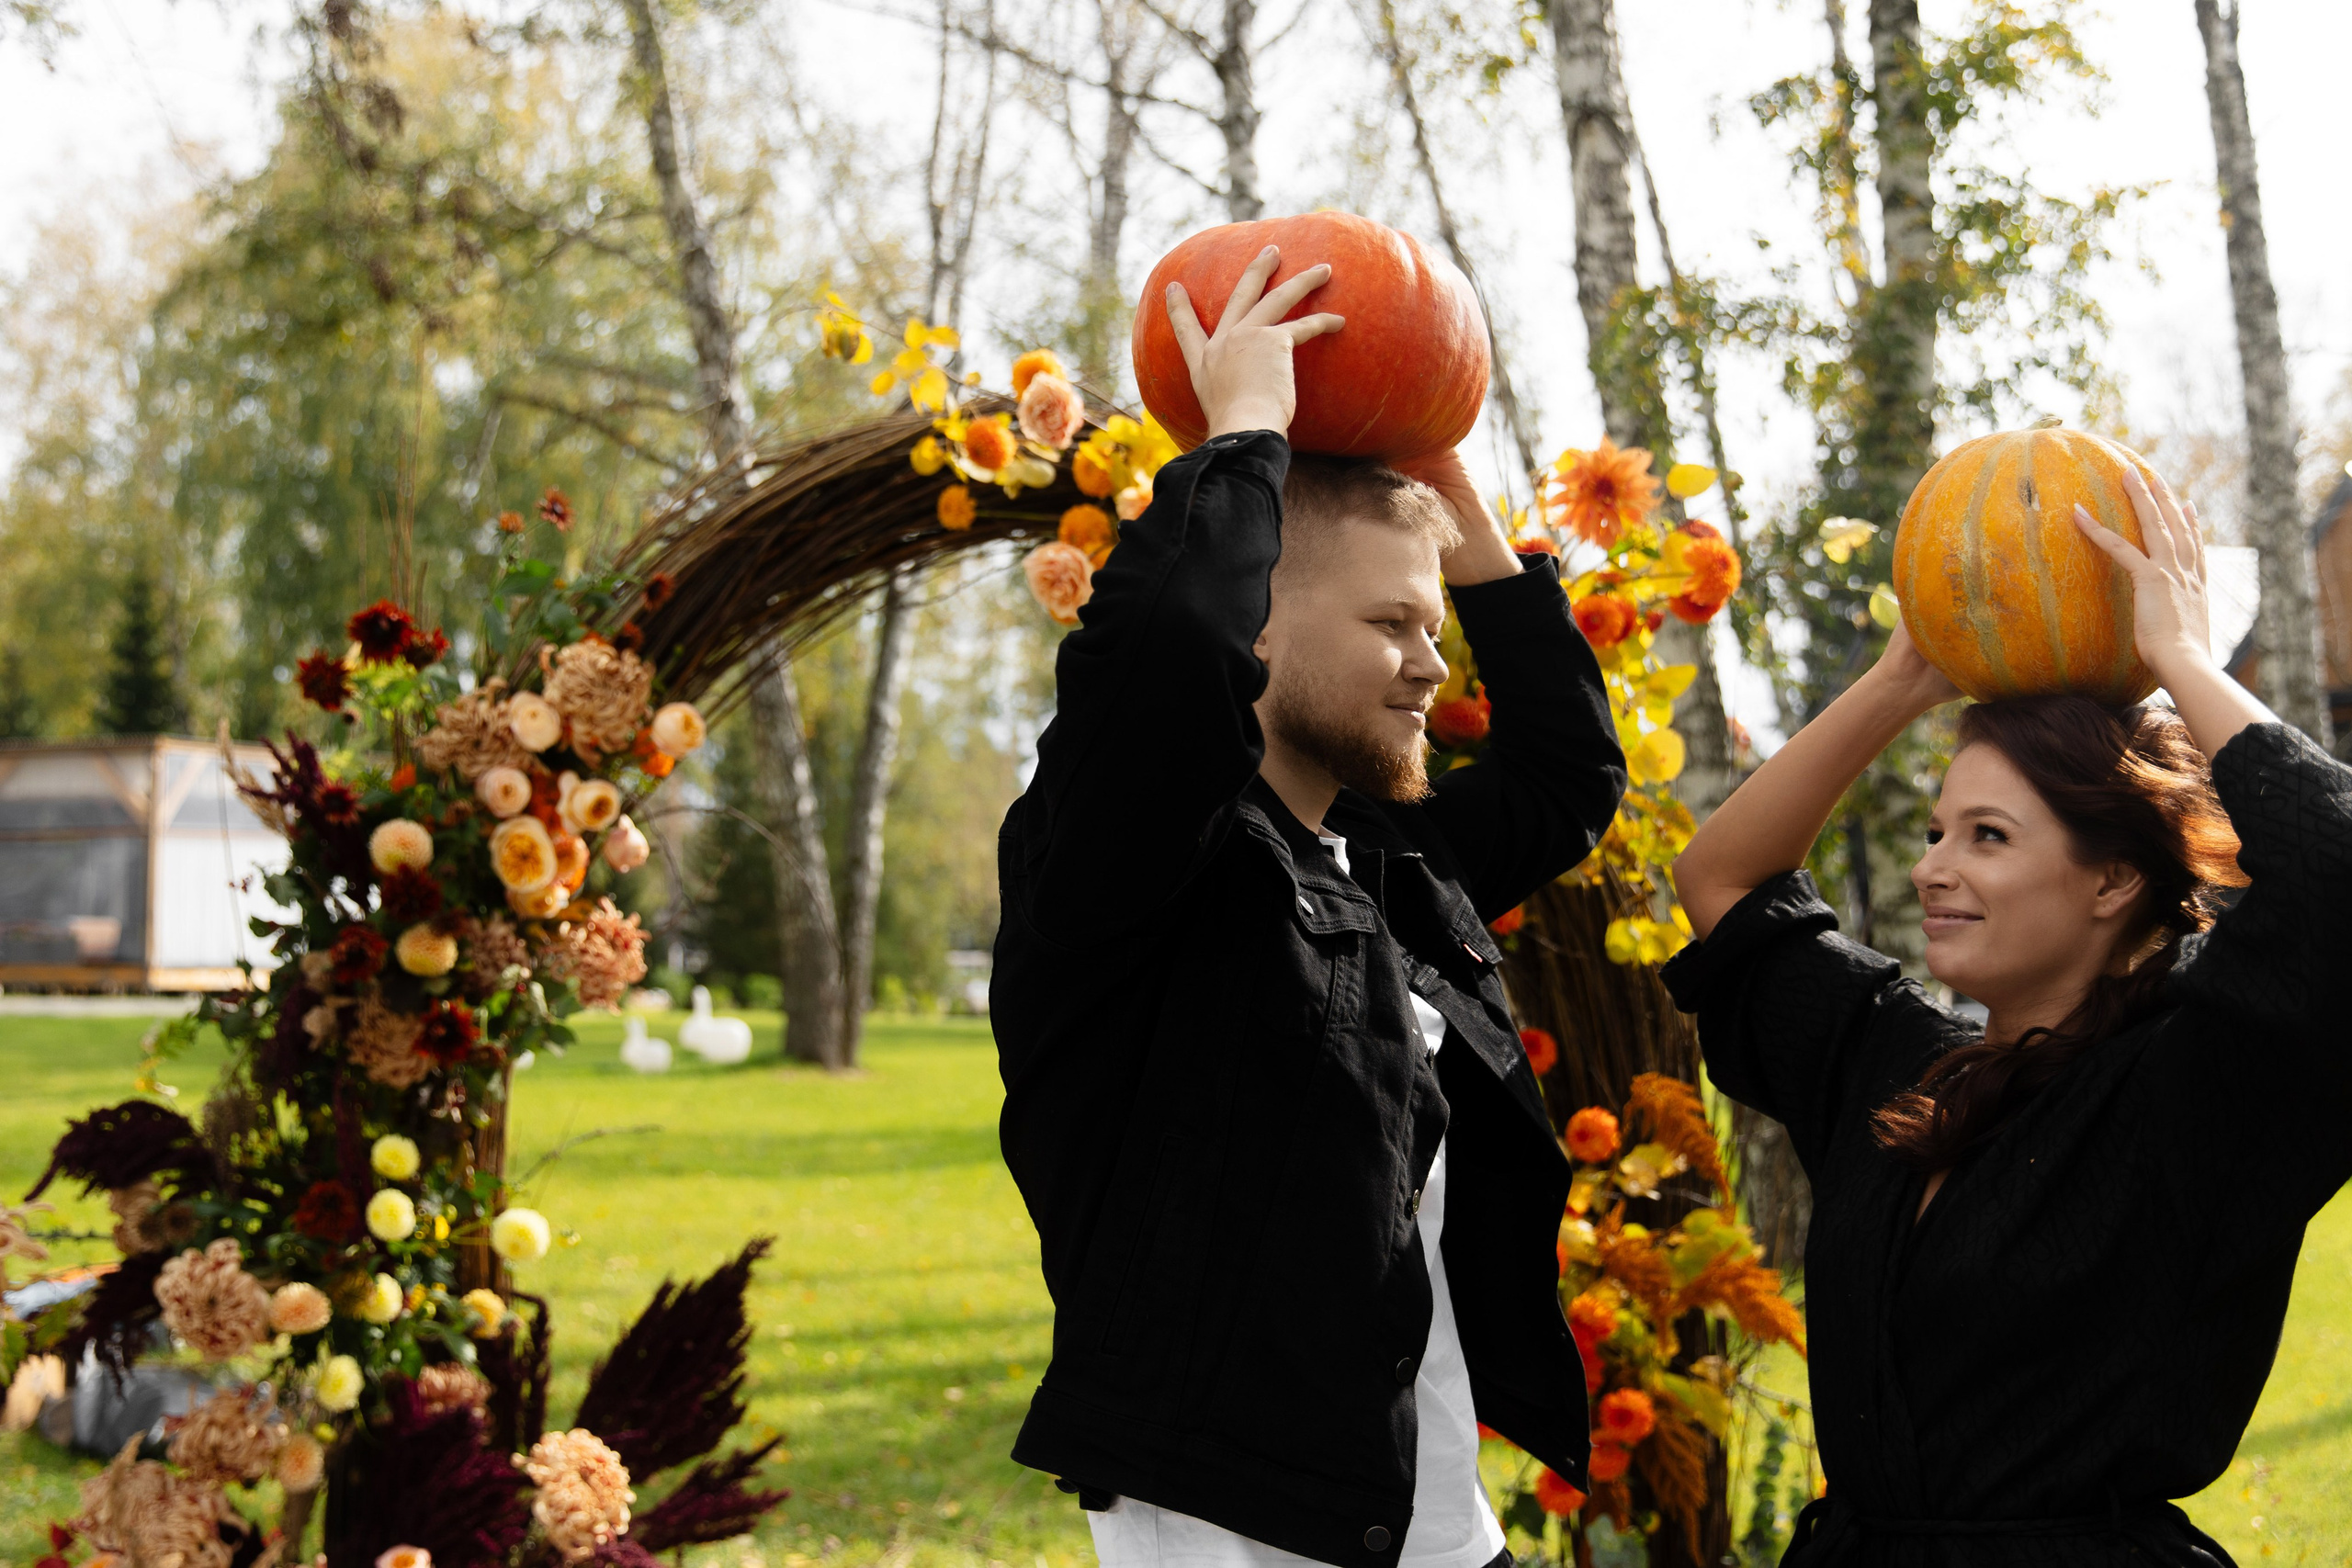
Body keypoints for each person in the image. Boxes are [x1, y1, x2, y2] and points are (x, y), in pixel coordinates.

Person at [990, 245, 1627, 1568]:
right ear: (1259, 626)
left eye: (1437, 630)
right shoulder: (1129, 860)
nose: (1427, 664)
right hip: (1242, 1521)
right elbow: (1162, 656)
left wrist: (1447, 484)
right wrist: (1246, 432)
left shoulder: (1386, 863)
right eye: (1395, 621)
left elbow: (1570, 774)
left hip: (1427, 1515)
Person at [1666, 467, 2352, 1565]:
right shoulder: (1895, 1059)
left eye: (1986, 837)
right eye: (1937, 832)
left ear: (2112, 881)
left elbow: (2334, 871)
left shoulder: (2195, 1086)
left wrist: (2181, 660)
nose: (1935, 867)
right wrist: (1902, 681)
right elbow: (1724, 885)